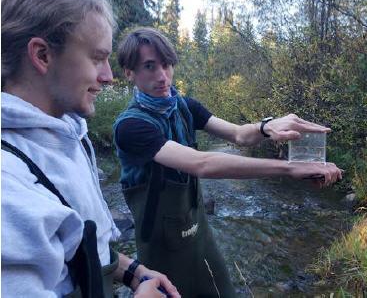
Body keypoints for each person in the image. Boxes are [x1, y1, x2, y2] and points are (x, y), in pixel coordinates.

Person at [113, 27, 343, 297]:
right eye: (149, 67)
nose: (162, 76)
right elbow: (203, 163)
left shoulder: (185, 107)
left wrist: (266, 126)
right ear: (130, 72)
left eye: (166, 65)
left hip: (198, 232)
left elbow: (237, 135)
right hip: (158, 245)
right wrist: (289, 168)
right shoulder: (130, 127)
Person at [1, 0, 181, 298]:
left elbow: (73, 244)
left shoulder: (67, 129)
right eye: (97, 58)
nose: (109, 76)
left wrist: (132, 272)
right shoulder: (8, 186)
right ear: (42, 55)